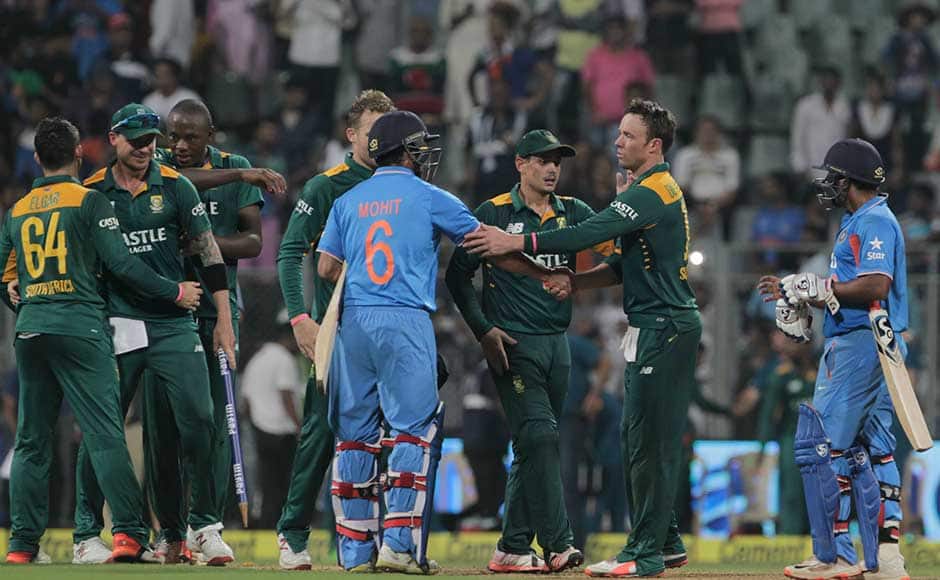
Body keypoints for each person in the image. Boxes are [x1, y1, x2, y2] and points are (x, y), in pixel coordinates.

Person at [316, 110, 567, 574]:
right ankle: (400, 548)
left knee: (354, 439)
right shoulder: (431, 197)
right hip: (404, 319)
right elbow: (486, 245)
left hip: (353, 323)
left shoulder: (348, 200)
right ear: (407, 151)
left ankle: (353, 555)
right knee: (414, 431)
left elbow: (326, 269)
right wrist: (541, 271)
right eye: (420, 146)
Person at [463, 98, 701, 578]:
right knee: (637, 437)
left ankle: (644, 553)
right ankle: (667, 539)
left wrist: (518, 242)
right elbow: (623, 266)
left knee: (647, 442)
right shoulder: (646, 190)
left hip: (665, 327)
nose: (617, 142)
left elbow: (586, 233)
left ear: (653, 146)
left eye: (628, 136)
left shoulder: (650, 191)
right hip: (655, 325)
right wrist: (578, 282)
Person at [0, 117, 201, 564]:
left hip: (31, 329)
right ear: (78, 154)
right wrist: (175, 290)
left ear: (36, 158)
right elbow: (123, 265)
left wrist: (17, 297)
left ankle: (21, 546)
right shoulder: (89, 202)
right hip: (80, 326)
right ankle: (130, 535)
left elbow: (4, 273)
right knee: (104, 430)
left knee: (32, 440)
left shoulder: (18, 209)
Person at [72, 103, 237, 566]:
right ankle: (86, 534)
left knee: (201, 421)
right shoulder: (91, 193)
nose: (147, 148)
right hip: (118, 324)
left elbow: (208, 255)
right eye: (138, 139)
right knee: (102, 431)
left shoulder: (177, 186)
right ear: (114, 139)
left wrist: (223, 318)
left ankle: (203, 526)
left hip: (173, 324)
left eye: (152, 140)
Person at [446, 129, 616, 572]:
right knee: (541, 435)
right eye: (542, 160)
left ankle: (511, 547)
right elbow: (457, 276)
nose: (552, 168)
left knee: (530, 445)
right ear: (520, 164)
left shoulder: (575, 212)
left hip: (557, 344)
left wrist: (583, 277)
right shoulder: (494, 212)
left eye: (557, 160)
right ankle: (559, 543)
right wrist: (483, 330)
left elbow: (615, 250)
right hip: (512, 342)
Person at [758, 138, 910, 580]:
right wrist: (805, 295)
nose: (828, 186)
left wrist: (821, 289)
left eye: (834, 178)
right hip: (872, 341)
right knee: (874, 452)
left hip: (860, 345)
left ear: (851, 181)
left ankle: (835, 555)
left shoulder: (874, 220)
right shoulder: (859, 221)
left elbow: (875, 285)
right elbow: (850, 291)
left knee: (820, 447)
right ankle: (886, 559)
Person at [274, 89, 396, 571]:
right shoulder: (326, 187)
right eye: (373, 132)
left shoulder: (403, 184)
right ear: (351, 136)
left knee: (394, 436)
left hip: (388, 333)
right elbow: (289, 254)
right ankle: (292, 534)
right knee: (320, 436)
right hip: (338, 336)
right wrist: (302, 319)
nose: (382, 141)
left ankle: (389, 538)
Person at [143, 98, 265, 555]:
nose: (179, 145)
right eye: (173, 135)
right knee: (161, 429)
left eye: (190, 137)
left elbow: (253, 242)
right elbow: (173, 179)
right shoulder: (155, 164)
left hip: (217, 313)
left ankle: (206, 526)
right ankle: (170, 533)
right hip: (162, 311)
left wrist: (201, 245)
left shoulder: (237, 167)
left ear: (211, 136)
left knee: (213, 422)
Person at [241, 312, 305, 529]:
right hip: (282, 431)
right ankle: (281, 525)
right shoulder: (285, 359)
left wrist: (252, 425)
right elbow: (286, 395)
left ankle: (265, 524)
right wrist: (300, 426)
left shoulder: (259, 358)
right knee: (283, 483)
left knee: (265, 482)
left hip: (260, 429)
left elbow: (246, 401)